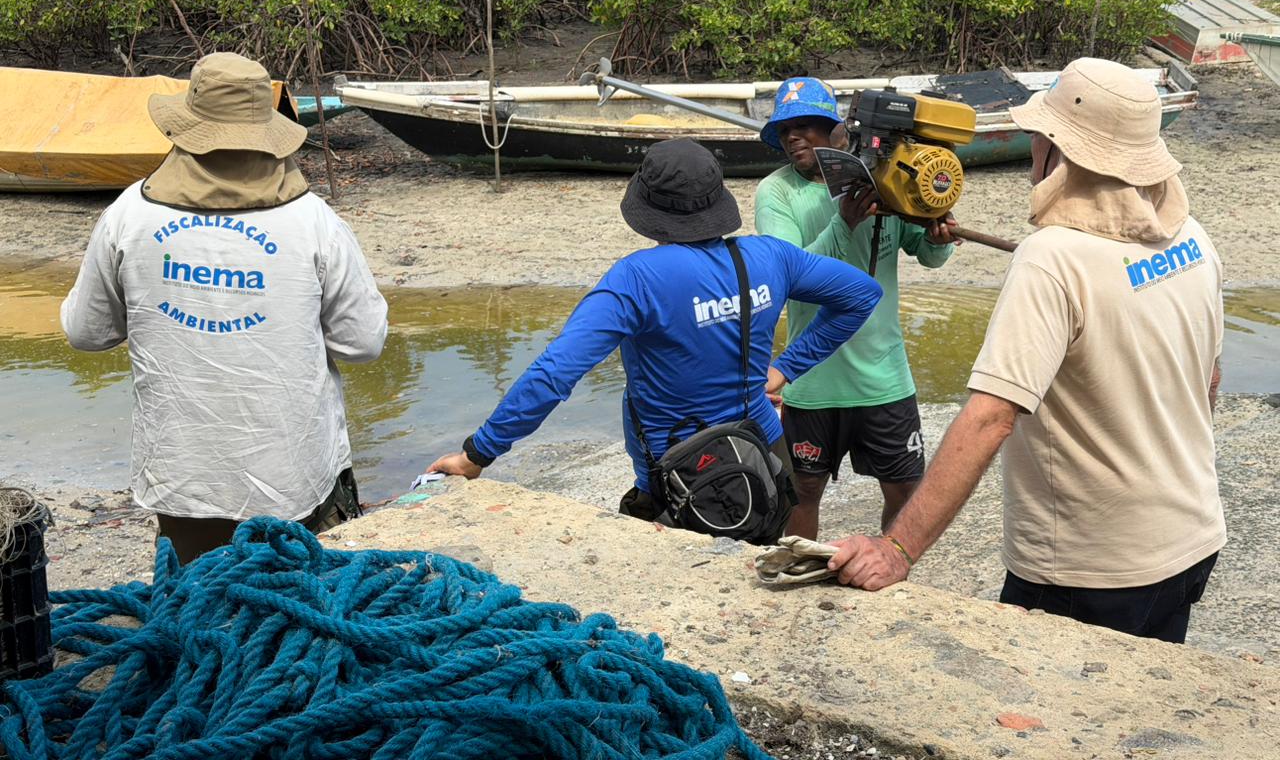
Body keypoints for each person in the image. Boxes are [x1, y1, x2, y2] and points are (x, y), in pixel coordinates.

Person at [827, 58, 1225, 644]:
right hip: (1191, 539)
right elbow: (1209, 380)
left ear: (1054, 147)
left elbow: (990, 418)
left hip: (1090, 567)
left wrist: (896, 549)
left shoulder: (1051, 257)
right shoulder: (1191, 237)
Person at [428, 138, 884, 527]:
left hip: (678, 475)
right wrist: (785, 368)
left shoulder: (636, 279)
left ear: (648, 209)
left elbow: (556, 372)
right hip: (765, 453)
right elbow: (862, 294)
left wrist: (477, 454)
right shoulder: (771, 257)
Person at [61, 52, 387, 564]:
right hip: (293, 477)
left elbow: (86, 332)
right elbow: (363, 344)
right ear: (268, 134)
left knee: (194, 612)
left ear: (185, 129)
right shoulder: (314, 222)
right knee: (292, 617)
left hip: (182, 476)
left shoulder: (128, 215)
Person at [754, 77, 955, 538]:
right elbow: (790, 278)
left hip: (884, 378)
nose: (794, 137)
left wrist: (938, 235)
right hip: (810, 380)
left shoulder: (883, 181)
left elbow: (925, 253)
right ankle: (796, 575)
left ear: (837, 131)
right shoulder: (777, 192)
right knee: (802, 492)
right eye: (786, 130)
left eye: (808, 125)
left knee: (905, 491)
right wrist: (843, 222)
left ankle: (890, 575)